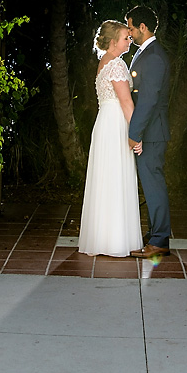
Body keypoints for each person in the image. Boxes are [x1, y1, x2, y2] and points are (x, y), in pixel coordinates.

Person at [78, 20, 144, 257]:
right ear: (114, 41)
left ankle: (103, 239)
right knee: (115, 177)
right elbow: (126, 102)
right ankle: (116, 241)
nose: (130, 40)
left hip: (104, 121)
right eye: (126, 37)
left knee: (107, 178)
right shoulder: (115, 64)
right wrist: (137, 134)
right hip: (116, 123)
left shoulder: (104, 62)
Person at [125, 5, 172, 257]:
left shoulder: (153, 55)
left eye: (131, 27)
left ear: (143, 27)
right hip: (151, 131)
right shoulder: (147, 52)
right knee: (151, 184)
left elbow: (149, 100)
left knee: (154, 185)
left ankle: (160, 241)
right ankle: (156, 234)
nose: (129, 33)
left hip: (152, 133)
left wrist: (135, 134)